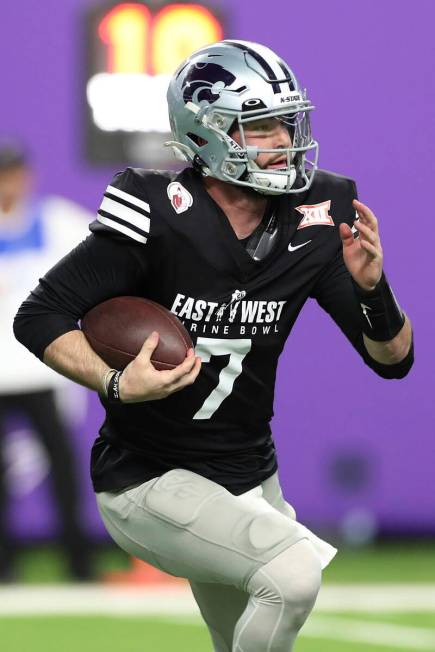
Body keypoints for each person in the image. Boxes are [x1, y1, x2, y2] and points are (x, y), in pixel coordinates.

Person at [14, 41, 413, 650]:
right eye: (259, 127)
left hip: (251, 475)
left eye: (285, 122)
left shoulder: (316, 215)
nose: (282, 139)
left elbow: (393, 359)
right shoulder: (158, 211)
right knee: (294, 572)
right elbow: (38, 316)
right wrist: (115, 381)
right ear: (207, 133)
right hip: (151, 479)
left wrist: (373, 287)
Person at [0, 142, 93, 581]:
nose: (7, 182)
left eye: (13, 172)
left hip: (41, 368)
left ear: (26, 175)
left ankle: (79, 563)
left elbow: (109, 251)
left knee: (63, 469)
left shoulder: (58, 221)